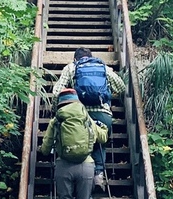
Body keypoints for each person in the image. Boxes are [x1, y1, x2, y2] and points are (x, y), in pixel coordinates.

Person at [40, 88, 109, 199]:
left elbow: (45, 148)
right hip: (86, 165)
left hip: (63, 167)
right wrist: (104, 128)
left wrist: (46, 148)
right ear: (76, 100)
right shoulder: (85, 116)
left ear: (60, 103)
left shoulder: (56, 120)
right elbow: (102, 138)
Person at [52, 47, 124, 189]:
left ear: (75, 58)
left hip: (78, 115)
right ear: (91, 57)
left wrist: (58, 109)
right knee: (100, 143)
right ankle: (98, 175)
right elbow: (121, 87)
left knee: (80, 147)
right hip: (103, 114)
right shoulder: (102, 67)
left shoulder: (71, 67)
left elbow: (56, 93)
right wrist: (107, 96)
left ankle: (83, 188)